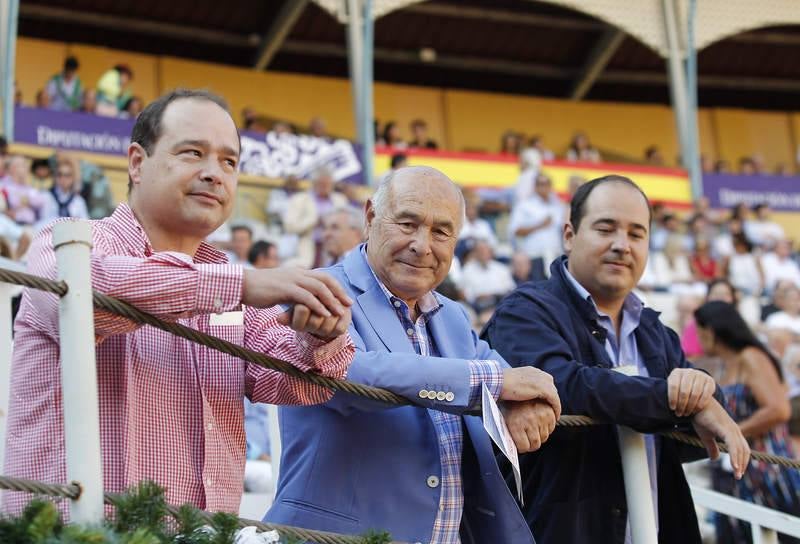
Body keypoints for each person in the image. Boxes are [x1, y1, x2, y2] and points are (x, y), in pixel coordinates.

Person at [3, 89, 356, 516]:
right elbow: (82, 295)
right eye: (193, 153)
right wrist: (238, 285)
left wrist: (320, 335)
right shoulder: (68, 241)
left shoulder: (230, 279)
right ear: (136, 163)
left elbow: (290, 382)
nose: (215, 173)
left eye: (229, 161)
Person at [266, 166, 562, 544]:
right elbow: (349, 371)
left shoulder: (452, 316)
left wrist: (524, 404)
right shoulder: (320, 289)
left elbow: (509, 377)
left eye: (441, 231)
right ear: (371, 216)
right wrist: (497, 384)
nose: (423, 245)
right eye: (408, 223)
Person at [482, 175, 750, 544]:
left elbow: (703, 423)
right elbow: (567, 386)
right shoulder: (523, 312)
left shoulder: (656, 331)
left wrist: (704, 390)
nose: (622, 245)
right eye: (606, 228)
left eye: (637, 234)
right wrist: (678, 399)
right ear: (569, 235)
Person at [695, 301, 800, 544]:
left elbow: (779, 409)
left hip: (764, 470)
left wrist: (733, 433)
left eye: (698, 332)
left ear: (710, 331)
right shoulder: (723, 364)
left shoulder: (751, 357)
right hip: (737, 470)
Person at [282, 167, 348, 268]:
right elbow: (289, 226)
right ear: (314, 183)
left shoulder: (340, 200)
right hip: (305, 248)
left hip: (333, 249)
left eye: (328, 184)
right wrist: (314, 221)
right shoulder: (300, 199)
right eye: (322, 184)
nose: (325, 187)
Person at [37, 156, 89, 225]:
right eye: (60, 174)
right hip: (48, 233)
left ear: (73, 178)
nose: (63, 178)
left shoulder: (78, 201)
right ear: (55, 177)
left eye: (67, 175)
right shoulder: (44, 196)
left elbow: (86, 225)